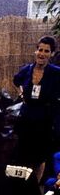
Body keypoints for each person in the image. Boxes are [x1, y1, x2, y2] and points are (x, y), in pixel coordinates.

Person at [13, 36, 60, 183]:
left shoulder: (56, 73)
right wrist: (21, 93)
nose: (42, 54)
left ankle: (35, 187)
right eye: (40, 49)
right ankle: (22, 184)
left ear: (51, 54)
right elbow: (16, 81)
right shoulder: (27, 69)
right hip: (26, 116)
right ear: (36, 50)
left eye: (47, 51)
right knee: (23, 153)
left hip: (44, 119)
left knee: (39, 157)